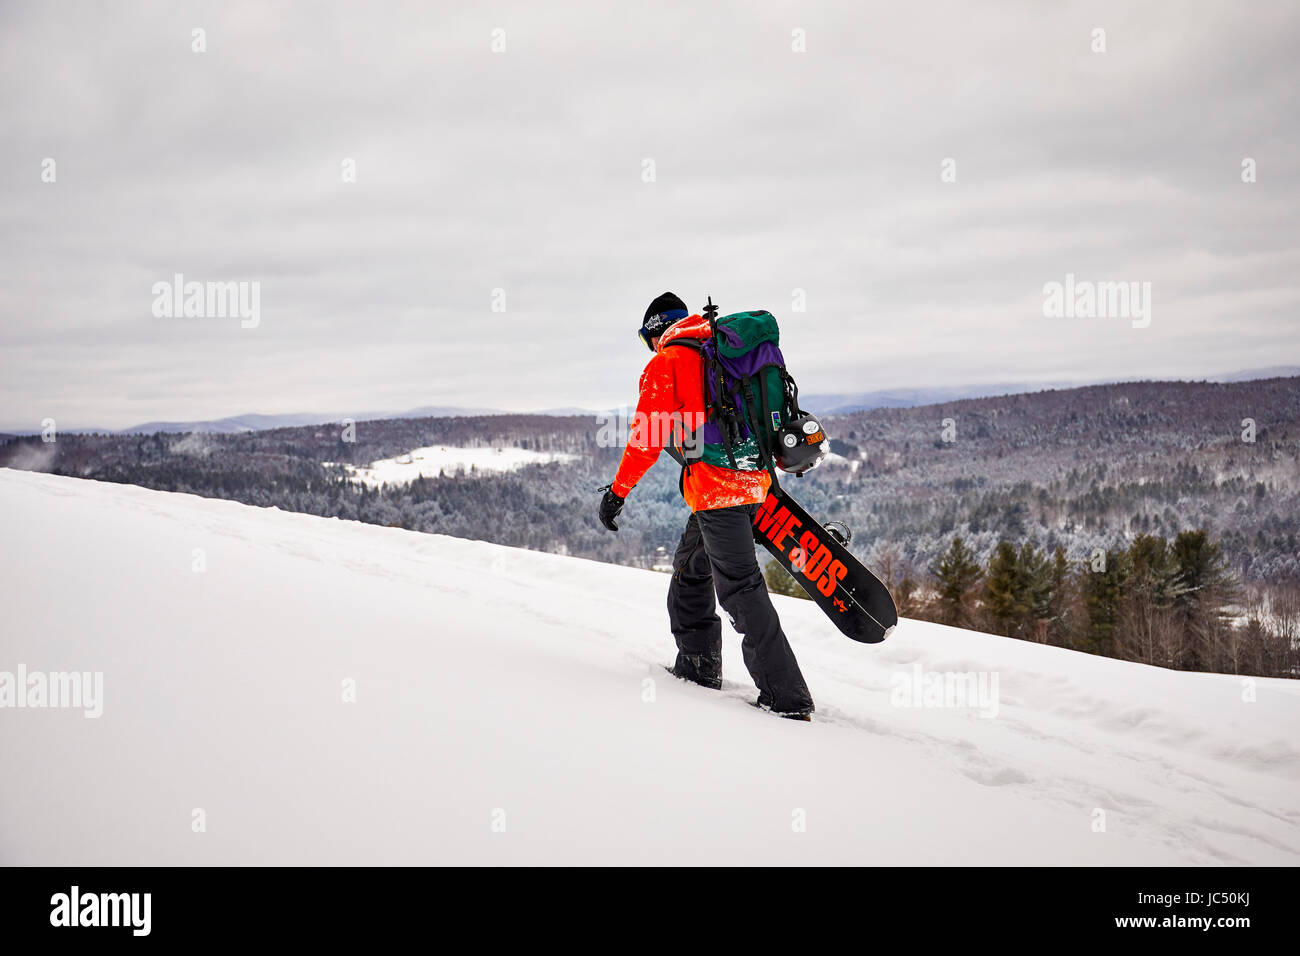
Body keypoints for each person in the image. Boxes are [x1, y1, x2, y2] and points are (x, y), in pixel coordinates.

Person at [598, 292, 815, 720]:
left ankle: (786, 697)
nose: (651, 348)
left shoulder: (669, 362)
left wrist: (617, 493)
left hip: (719, 492)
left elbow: (647, 438)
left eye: (648, 340)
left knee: (739, 590)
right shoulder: (718, 347)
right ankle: (698, 666)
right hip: (753, 481)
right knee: (689, 573)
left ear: (657, 331)